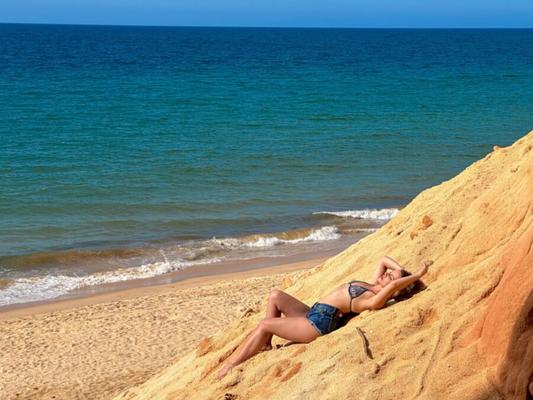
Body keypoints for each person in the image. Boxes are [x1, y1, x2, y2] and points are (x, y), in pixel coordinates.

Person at [217, 256, 430, 378]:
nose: (387, 274)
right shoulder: (373, 284)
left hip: (316, 324)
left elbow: (392, 286)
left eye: (391, 278)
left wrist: (416, 276)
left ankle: (232, 364)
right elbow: (384, 260)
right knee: (275, 295)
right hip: (314, 311)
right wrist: (401, 270)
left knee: (265, 324)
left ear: (394, 290)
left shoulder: (372, 299)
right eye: (389, 274)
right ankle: (264, 345)